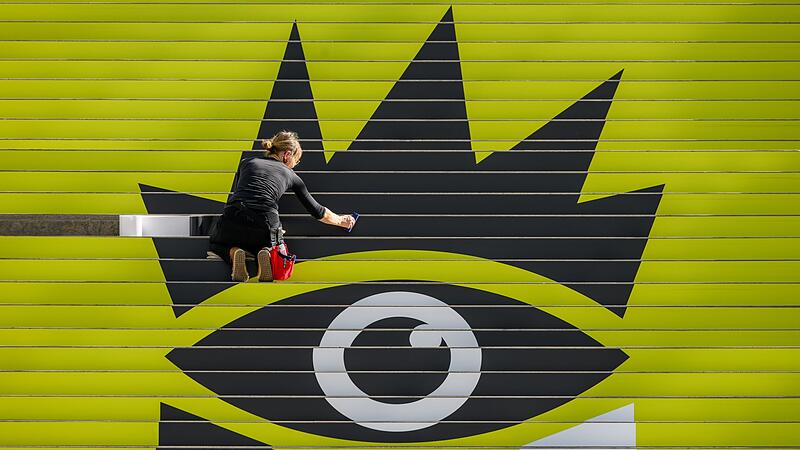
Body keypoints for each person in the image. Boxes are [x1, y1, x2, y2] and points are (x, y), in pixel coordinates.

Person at [209, 130, 355, 282]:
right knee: (270, 241)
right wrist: (341, 220)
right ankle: (265, 252)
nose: (295, 165)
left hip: (233, 216)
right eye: (296, 161)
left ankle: (234, 252)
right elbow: (317, 211)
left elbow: (239, 192)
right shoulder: (290, 175)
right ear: (287, 155)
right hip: (265, 220)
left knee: (217, 243)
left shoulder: (246, 162)